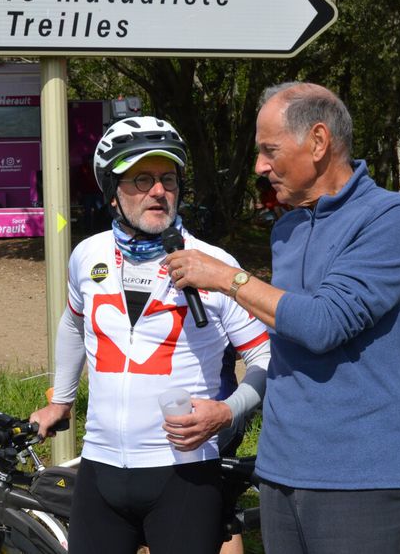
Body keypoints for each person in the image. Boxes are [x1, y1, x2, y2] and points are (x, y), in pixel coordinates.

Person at [164, 82, 400, 553]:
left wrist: (228, 278)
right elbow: (281, 339)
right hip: (281, 474)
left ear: (319, 141)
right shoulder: (285, 228)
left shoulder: (390, 216)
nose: (260, 167)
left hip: (362, 482)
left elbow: (323, 324)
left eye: (269, 150)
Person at [30, 116, 270, 554]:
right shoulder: (88, 255)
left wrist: (226, 412)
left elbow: (266, 357)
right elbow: (72, 322)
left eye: (168, 179)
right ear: (113, 191)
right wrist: (59, 402)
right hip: (100, 467)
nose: (158, 191)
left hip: (183, 473)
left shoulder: (212, 262)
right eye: (142, 178)